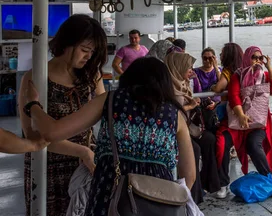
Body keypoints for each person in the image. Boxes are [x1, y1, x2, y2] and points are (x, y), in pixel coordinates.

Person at [23, 57, 196, 215]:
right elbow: (189, 175)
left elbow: (52, 132)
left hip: (109, 195)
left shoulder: (111, 100)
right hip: (160, 202)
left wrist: (32, 104)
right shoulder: (175, 115)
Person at [18, 14, 107, 216]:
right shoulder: (35, 78)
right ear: (67, 43)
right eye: (85, 50)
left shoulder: (92, 76)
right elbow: (32, 135)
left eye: (92, 52)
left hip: (86, 164)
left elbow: (106, 113)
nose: (88, 57)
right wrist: (82, 152)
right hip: (47, 165)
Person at [217, 46, 272, 199]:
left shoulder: (265, 76)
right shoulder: (237, 76)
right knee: (221, 143)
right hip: (237, 122)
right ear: (247, 58)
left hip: (257, 123)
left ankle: (270, 182)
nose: (258, 61)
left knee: (254, 145)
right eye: (254, 57)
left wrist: (269, 67)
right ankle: (223, 183)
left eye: (260, 58)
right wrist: (240, 115)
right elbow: (234, 96)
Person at [164, 50, 220, 203]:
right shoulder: (168, 88)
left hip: (188, 128)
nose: (190, 71)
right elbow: (170, 113)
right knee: (194, 149)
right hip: (174, 131)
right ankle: (193, 193)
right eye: (187, 68)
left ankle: (211, 183)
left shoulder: (183, 83)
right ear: (178, 67)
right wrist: (190, 106)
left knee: (210, 139)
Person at [213, 43, 243, 198]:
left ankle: (223, 184)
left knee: (221, 145)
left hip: (230, 118)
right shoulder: (244, 70)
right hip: (245, 118)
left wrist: (213, 87)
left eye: (222, 52)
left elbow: (219, 88)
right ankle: (267, 179)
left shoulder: (228, 71)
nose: (220, 55)